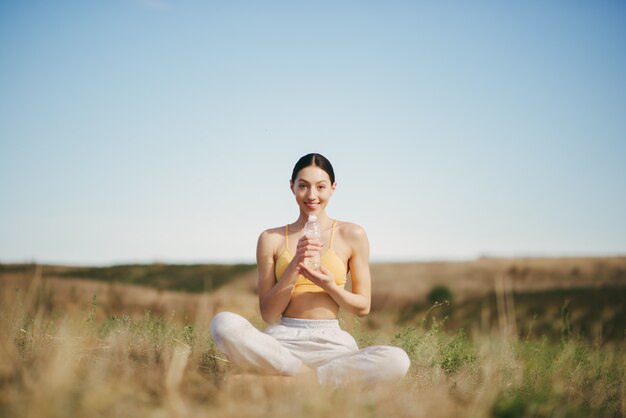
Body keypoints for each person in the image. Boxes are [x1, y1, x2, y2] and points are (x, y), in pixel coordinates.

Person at [210, 153, 410, 387]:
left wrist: (329, 285)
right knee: (223, 323)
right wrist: (294, 265)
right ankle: (313, 381)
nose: (312, 195)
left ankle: (286, 385)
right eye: (303, 186)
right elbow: (269, 314)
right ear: (292, 187)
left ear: (333, 188)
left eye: (321, 187)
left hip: (333, 344)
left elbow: (362, 307)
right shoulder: (270, 238)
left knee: (397, 360)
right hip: (283, 344)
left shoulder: (352, 234)